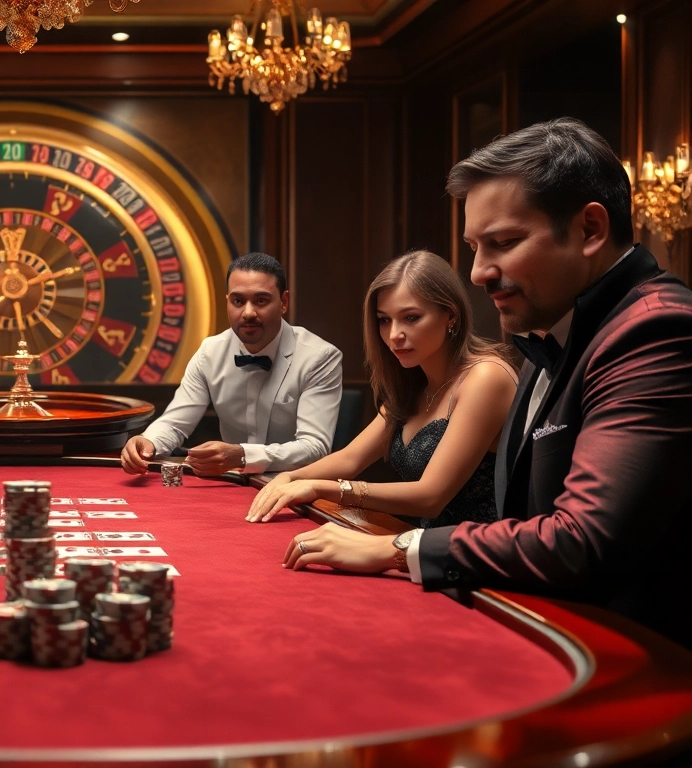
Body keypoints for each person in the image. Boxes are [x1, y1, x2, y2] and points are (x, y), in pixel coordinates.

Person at [282, 118, 692, 648]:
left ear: (590, 230)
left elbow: (581, 541)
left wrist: (399, 549)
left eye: (503, 243)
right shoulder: (556, 331)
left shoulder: (655, 330)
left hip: (628, 662)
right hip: (533, 623)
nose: (478, 272)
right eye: (476, 247)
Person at [247, 251, 517, 527]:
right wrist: (289, 477)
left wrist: (319, 488)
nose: (393, 335)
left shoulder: (486, 377)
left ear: (451, 315)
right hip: (421, 548)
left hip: (479, 557)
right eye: (384, 319)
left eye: (410, 318)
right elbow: (350, 459)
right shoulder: (412, 383)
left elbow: (430, 496)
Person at [120, 252, 343, 477]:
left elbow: (315, 447)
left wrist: (243, 455)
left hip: (295, 486)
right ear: (228, 301)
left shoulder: (319, 358)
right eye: (238, 301)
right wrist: (148, 442)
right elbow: (175, 424)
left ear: (284, 302)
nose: (248, 312)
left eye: (261, 300)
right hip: (230, 484)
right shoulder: (210, 353)